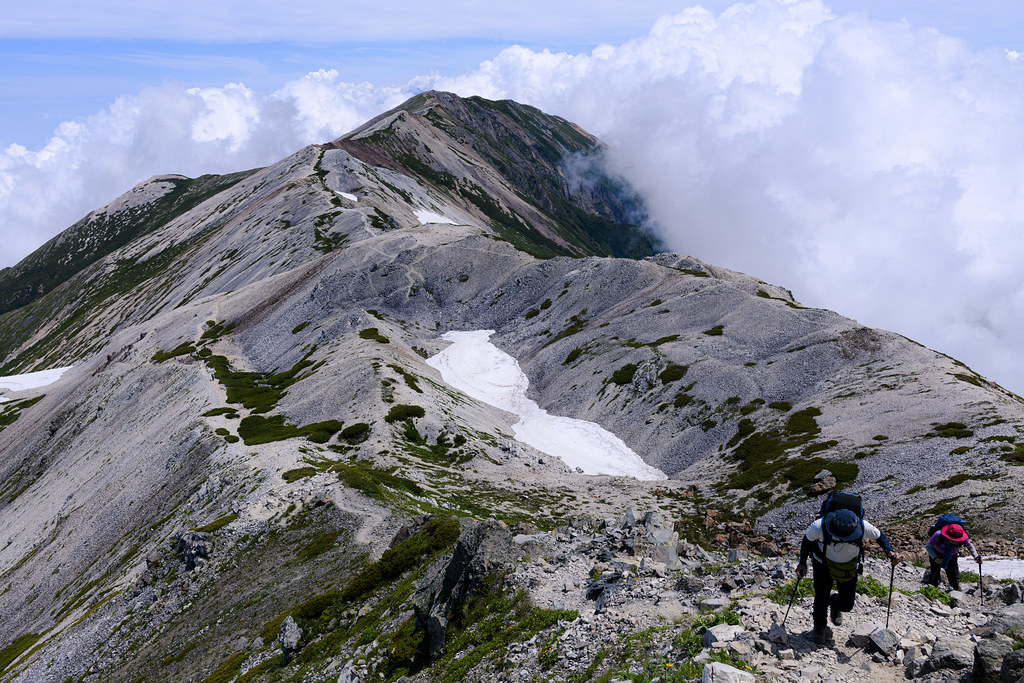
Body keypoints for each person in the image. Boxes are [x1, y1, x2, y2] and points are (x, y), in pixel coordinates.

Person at [796, 508, 899, 643]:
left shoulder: (862, 526)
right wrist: (802, 563)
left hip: (848, 567)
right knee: (821, 596)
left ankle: (835, 602)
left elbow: (880, 536)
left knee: (847, 605)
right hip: (822, 564)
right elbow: (807, 541)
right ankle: (819, 628)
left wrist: (889, 551)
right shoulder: (819, 525)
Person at [925, 523, 980, 590]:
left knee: (954, 573)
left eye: (957, 540)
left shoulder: (963, 537)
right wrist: (935, 557)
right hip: (936, 553)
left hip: (952, 555)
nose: (955, 542)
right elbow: (928, 546)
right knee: (935, 573)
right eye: (952, 540)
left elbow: (970, 546)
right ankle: (932, 589)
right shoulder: (938, 534)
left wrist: (976, 557)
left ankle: (956, 588)